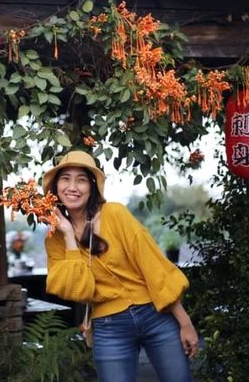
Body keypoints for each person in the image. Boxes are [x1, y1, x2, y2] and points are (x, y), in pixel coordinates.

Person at [43, 150, 198, 382]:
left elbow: (153, 266)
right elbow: (78, 290)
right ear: (55, 187)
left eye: (81, 180)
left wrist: (185, 322)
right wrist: (67, 236)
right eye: (65, 179)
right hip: (109, 328)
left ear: (92, 187)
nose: (72, 187)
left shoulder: (115, 213)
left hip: (155, 315)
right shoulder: (54, 239)